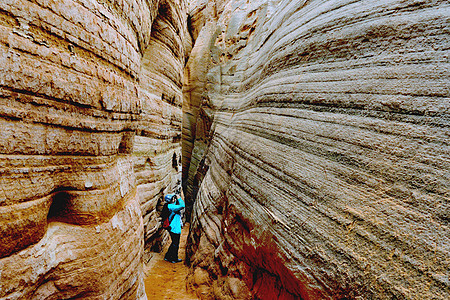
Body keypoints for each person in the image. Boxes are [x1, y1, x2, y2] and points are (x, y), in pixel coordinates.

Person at [163, 193, 185, 263]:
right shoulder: (171, 207)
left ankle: (168, 256)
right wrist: (179, 198)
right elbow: (182, 205)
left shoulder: (168, 206)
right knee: (175, 244)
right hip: (174, 228)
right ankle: (174, 258)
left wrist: (176, 199)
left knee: (174, 243)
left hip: (172, 227)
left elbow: (176, 205)